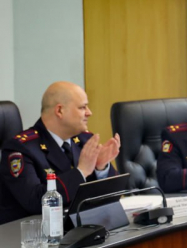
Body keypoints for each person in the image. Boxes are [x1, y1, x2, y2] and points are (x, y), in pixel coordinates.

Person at [0, 81, 120, 224]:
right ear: (60, 111)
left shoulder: (84, 140)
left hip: (81, 228)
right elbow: (35, 201)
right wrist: (81, 171)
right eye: (82, 107)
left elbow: (110, 197)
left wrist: (101, 168)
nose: (89, 112)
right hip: (33, 233)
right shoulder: (20, 148)